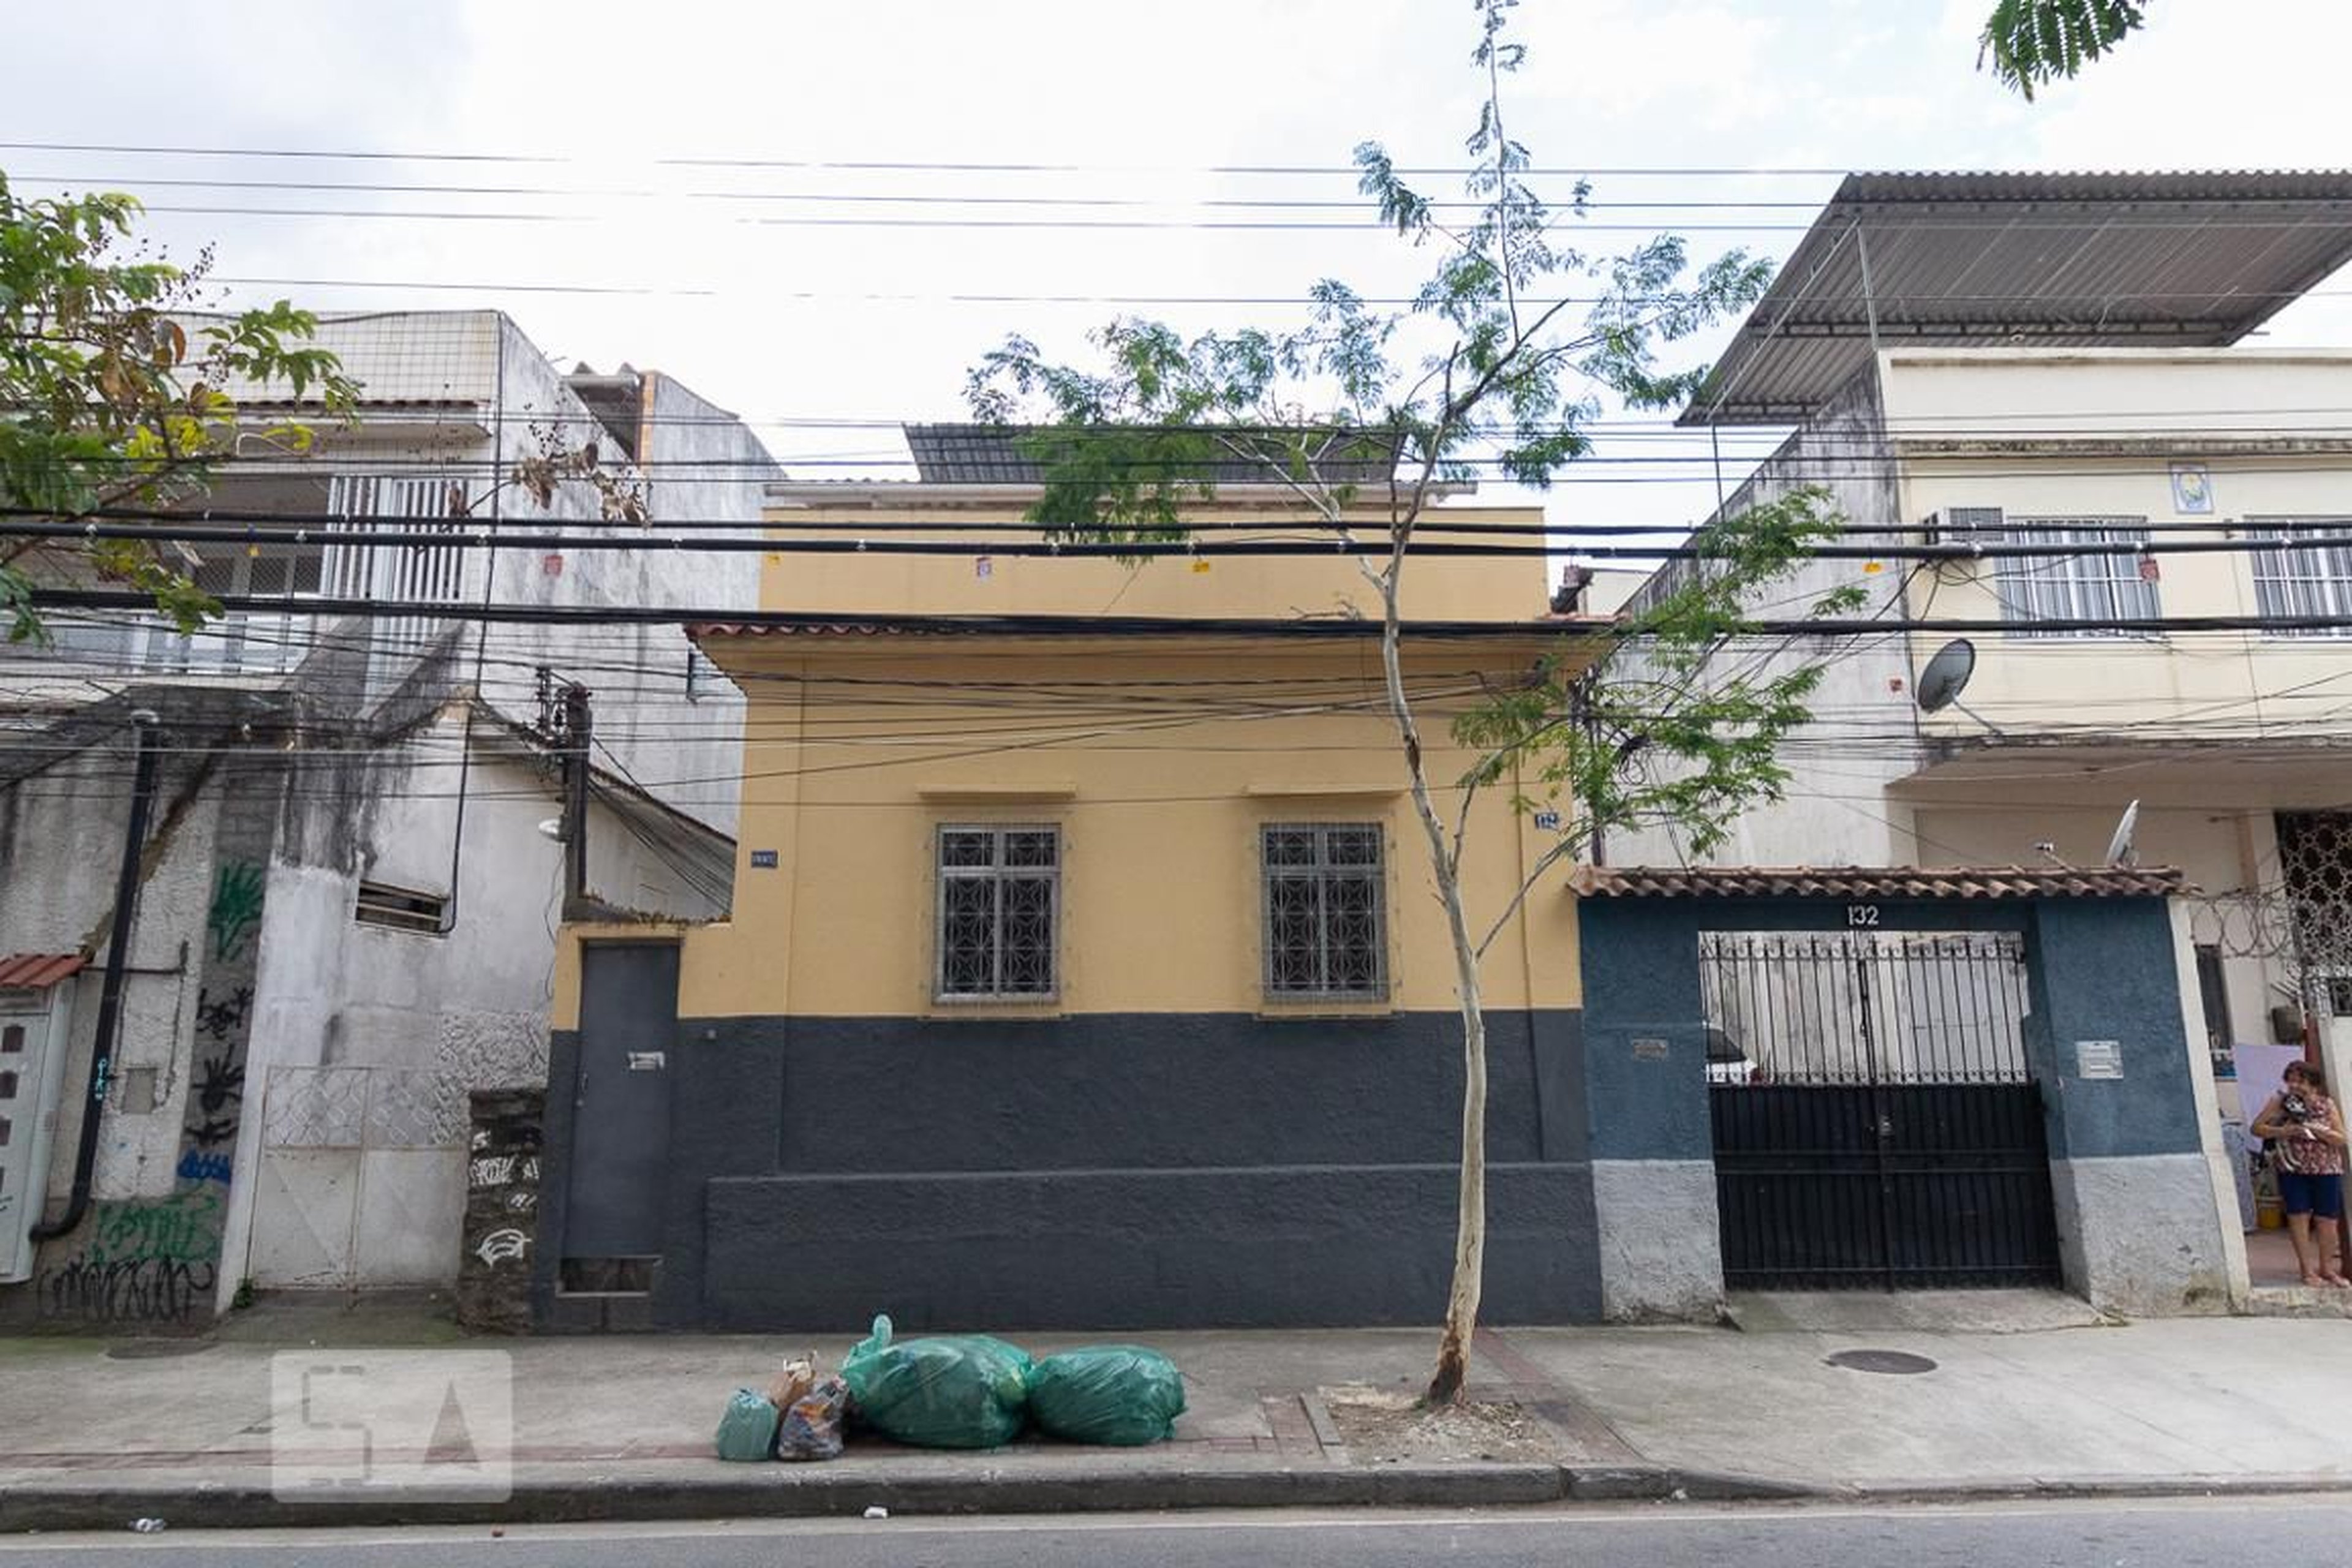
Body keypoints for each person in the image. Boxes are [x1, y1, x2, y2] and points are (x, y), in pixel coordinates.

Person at [2252, 1061, 2351, 1287]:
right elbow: (2257, 1128)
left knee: (2328, 1220)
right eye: (2291, 1080)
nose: (2294, 1085)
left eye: (2300, 1081)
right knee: (2298, 1218)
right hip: (2293, 1168)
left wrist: (2320, 1132)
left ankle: (2327, 1269)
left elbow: (2342, 1138)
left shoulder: (2326, 1105)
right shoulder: (2281, 1102)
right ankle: (2307, 1271)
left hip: (2326, 1168)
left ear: (2313, 1083)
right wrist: (2283, 1131)